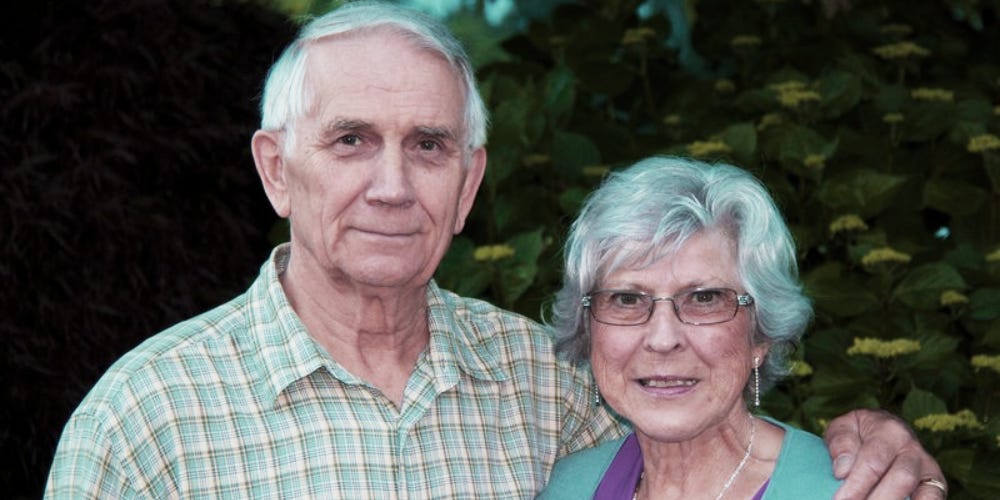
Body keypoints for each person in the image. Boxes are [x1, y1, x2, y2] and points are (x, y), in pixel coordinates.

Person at [45, 2, 945, 499]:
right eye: (351, 140)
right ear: (277, 170)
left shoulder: (549, 386)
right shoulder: (145, 421)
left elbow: (711, 441)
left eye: (428, 145)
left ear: (469, 183)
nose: (393, 185)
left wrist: (873, 442)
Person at [537, 156, 946, 499]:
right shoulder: (564, 486)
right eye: (626, 299)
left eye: (705, 298)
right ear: (588, 329)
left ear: (760, 335)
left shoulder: (856, 490)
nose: (662, 339)